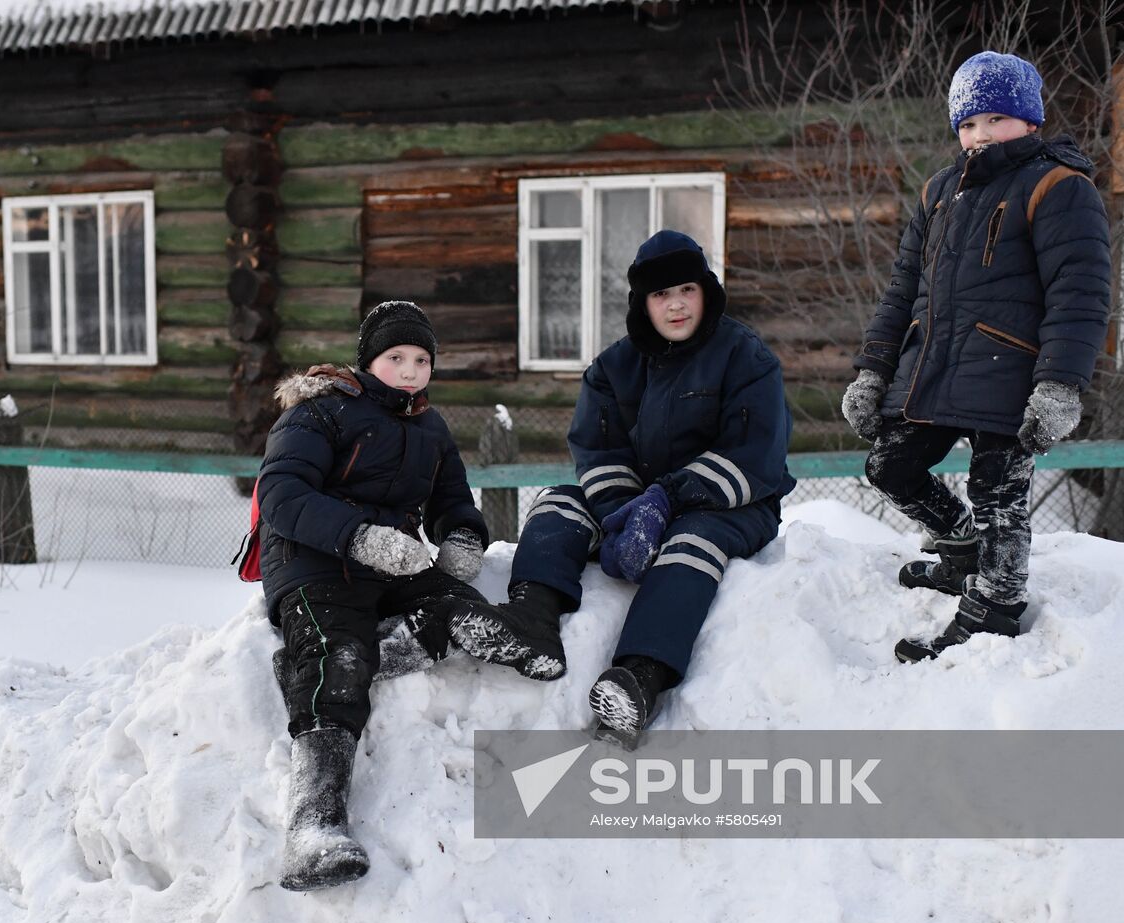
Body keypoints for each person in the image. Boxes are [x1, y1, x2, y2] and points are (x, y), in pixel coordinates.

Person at [441, 230, 796, 737]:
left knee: (690, 544)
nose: (675, 305)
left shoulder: (745, 357)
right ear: (642, 303)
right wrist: (627, 512)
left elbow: (755, 456)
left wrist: (667, 499)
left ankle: (639, 677)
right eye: (660, 295)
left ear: (705, 291)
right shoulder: (613, 367)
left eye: (686, 291)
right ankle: (533, 619)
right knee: (557, 505)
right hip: (637, 498)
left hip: (732, 503)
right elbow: (598, 450)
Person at [841, 51, 1111, 663]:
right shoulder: (940, 191)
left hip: (1014, 374)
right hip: (934, 369)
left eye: (994, 119)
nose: (978, 136)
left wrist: (1060, 385)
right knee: (890, 466)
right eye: (967, 123)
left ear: (1030, 121)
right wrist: (873, 369)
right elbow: (902, 287)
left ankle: (996, 604)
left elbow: (1082, 294)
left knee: (997, 492)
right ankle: (961, 552)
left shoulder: (1059, 186)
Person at [256, 300, 502, 891]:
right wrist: (359, 537)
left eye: (422, 360)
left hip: (390, 562)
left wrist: (463, 539)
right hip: (312, 562)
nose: (411, 370)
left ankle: (374, 655)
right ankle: (312, 827)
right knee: (338, 658)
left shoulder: (431, 429)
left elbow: (453, 501)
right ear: (370, 360)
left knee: (464, 612)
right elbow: (282, 494)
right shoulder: (321, 411)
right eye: (397, 358)